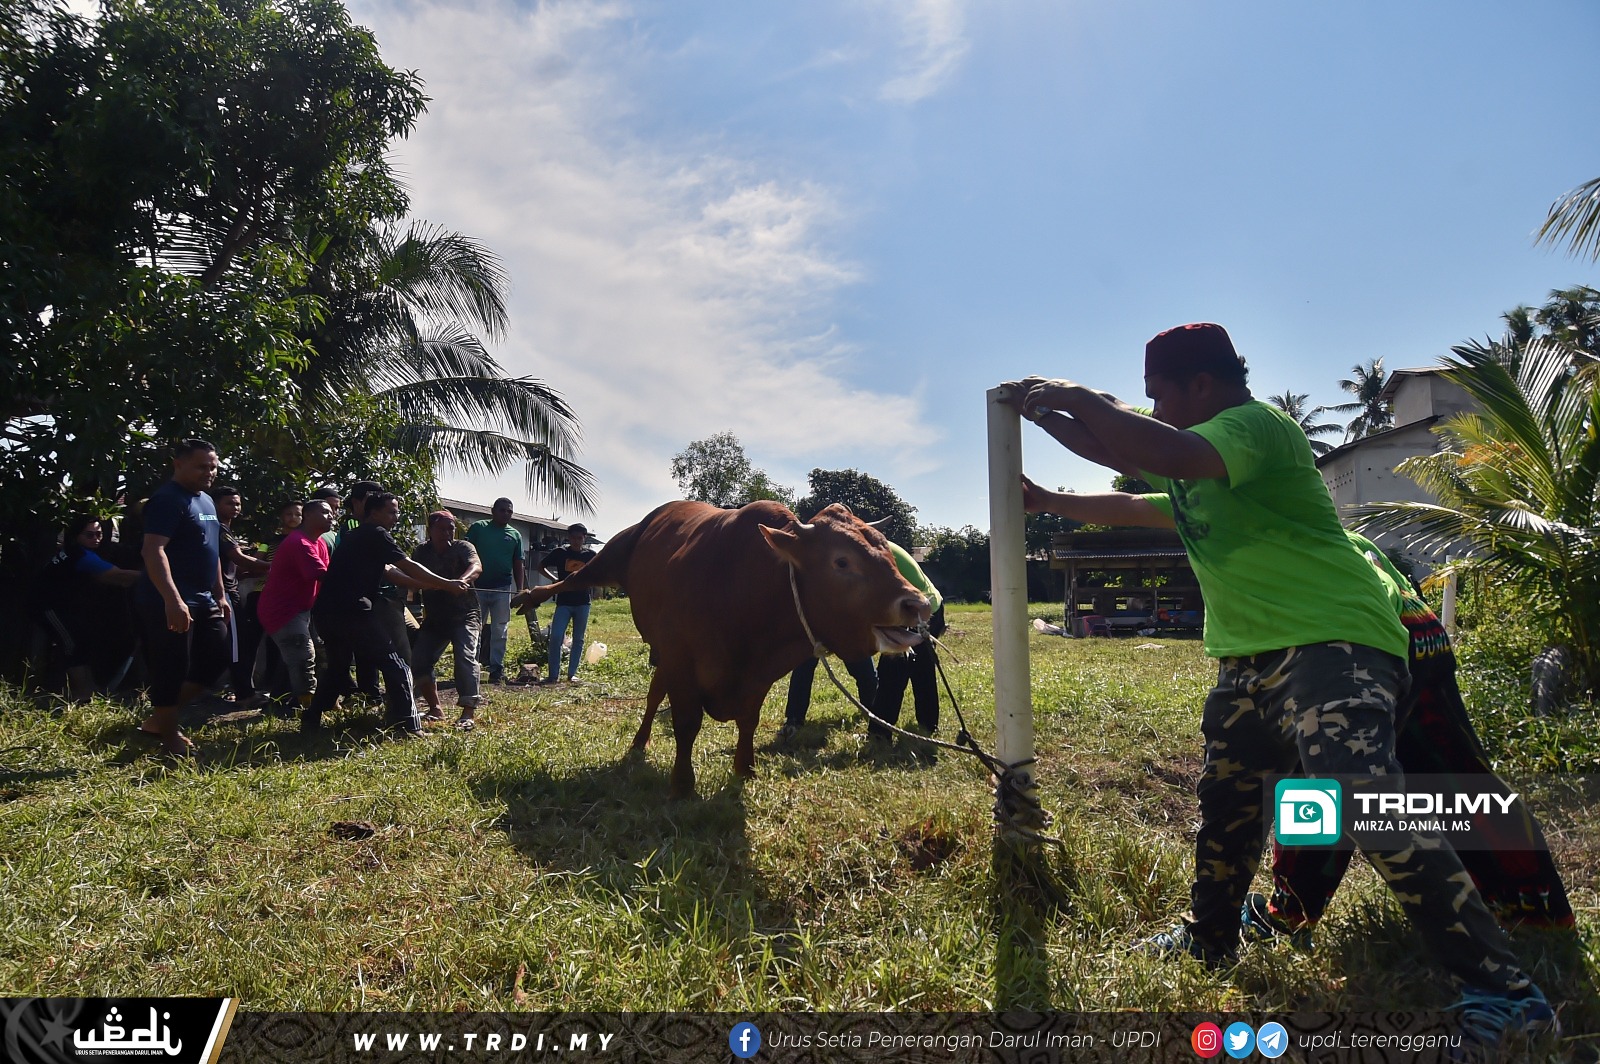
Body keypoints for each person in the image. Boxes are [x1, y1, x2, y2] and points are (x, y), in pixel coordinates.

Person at [1005, 322, 1555, 1047]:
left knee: (1363, 797)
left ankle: (1507, 993)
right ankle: (1210, 937)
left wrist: (1071, 394)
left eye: (1159, 395)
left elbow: (1140, 443)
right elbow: (1127, 475)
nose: (1154, 410)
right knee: (1226, 803)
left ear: (1203, 384)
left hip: (1334, 643)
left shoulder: (1254, 429)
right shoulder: (1200, 472)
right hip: (1248, 659)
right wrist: (1046, 464)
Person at [1247, 532, 1574, 940]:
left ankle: (1287, 912)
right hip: (1420, 634)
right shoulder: (1325, 523)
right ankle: (1539, 910)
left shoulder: (1251, 525)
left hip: (1362, 641)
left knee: (1318, 783)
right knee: (1456, 775)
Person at [307, 492, 470, 737]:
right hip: (353, 611)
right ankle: (409, 727)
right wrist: (447, 584)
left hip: (326, 613)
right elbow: (408, 565)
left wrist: (432, 584)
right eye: (392, 511)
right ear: (375, 513)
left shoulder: (356, 536)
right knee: (397, 665)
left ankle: (310, 721)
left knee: (338, 667)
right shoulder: (377, 534)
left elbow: (390, 571)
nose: (396, 516)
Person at [134, 438, 232, 756]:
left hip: (205, 599)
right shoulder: (167, 499)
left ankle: (159, 718)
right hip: (169, 599)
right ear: (178, 464)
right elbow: (153, 549)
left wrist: (220, 594)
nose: (210, 472)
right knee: (171, 667)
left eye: (213, 466)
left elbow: (212, 551)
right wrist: (172, 600)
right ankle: (169, 737)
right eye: (202, 466)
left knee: (216, 658)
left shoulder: (205, 500)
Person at [39, 515, 140, 701]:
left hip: (64, 607)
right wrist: (156, 575)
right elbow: (120, 576)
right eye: (89, 535)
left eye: (99, 534)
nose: (96, 539)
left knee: (80, 642)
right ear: (76, 535)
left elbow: (106, 577)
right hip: (47, 606)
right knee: (72, 645)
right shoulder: (80, 555)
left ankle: (88, 689)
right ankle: (82, 694)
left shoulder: (79, 553)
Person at [256, 498, 334, 714]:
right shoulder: (299, 542)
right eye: (325, 512)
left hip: (301, 609)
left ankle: (279, 705)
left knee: (296, 656)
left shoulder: (318, 542)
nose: (331, 516)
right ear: (308, 515)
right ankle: (309, 711)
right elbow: (321, 574)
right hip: (283, 610)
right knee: (302, 656)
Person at [410, 510, 483, 728]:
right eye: (441, 529)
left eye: (450, 528)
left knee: (465, 656)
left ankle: (468, 713)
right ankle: (435, 708)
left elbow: (476, 566)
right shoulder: (421, 552)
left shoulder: (464, 547)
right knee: (419, 660)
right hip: (436, 617)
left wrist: (462, 580)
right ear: (430, 530)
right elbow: (413, 575)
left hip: (465, 614)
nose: (447, 533)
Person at [869, 542, 945, 742]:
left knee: (893, 671)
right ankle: (927, 726)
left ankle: (880, 733)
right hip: (922, 607)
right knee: (921, 670)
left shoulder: (874, 552)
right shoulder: (872, 544)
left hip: (920, 612)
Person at [212, 486, 271, 709]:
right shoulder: (219, 528)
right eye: (229, 503)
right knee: (238, 645)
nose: (235, 508)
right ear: (216, 505)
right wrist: (273, 567)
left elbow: (232, 565)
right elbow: (237, 557)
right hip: (225, 592)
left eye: (237, 503)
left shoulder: (220, 527)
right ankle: (245, 694)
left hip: (225, 587)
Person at [465, 498, 525, 684]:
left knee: (500, 629)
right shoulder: (479, 528)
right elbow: (465, 553)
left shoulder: (515, 535)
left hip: (502, 589)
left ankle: (496, 669)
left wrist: (520, 589)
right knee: (475, 629)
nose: (506, 514)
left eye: (509, 511)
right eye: (502, 510)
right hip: (478, 588)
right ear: (493, 511)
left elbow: (518, 563)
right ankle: (470, 668)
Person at [538, 523, 596, 684]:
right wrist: (554, 580)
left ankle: (572, 674)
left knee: (578, 639)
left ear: (584, 538)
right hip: (563, 602)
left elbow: (599, 571)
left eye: (580, 538)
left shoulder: (590, 555)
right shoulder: (560, 552)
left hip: (583, 602)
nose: (576, 541)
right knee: (556, 637)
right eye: (573, 538)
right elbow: (540, 566)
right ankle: (553, 675)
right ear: (569, 538)